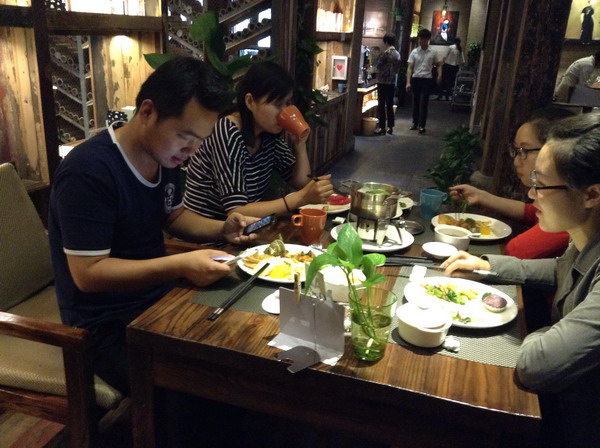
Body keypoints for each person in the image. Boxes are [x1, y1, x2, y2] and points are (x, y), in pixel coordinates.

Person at [48, 57, 259, 444]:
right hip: (102, 325)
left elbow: (174, 216)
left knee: (237, 360)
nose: (191, 150)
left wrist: (223, 229)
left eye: (200, 140)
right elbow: (88, 274)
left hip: (156, 301)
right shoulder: (89, 171)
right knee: (195, 393)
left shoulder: (166, 156)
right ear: (147, 112)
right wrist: (179, 263)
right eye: (185, 136)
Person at [442, 113, 600, 447]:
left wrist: (544, 331)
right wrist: (485, 265)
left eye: (541, 184)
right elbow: (560, 269)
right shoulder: (585, 237)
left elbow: (537, 365)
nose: (530, 194)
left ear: (591, 194)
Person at [184, 61, 333, 220]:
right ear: (250, 102)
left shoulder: (267, 133)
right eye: (277, 104)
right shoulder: (227, 131)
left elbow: (301, 183)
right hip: (208, 228)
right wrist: (300, 198)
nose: (284, 111)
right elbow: (237, 211)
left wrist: (300, 145)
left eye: (287, 103)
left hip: (244, 228)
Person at [449, 107, 573, 260]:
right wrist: (481, 196)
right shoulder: (559, 201)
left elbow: (516, 250)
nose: (516, 161)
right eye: (516, 150)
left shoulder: (570, 213)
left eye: (524, 150)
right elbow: (530, 211)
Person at [406, 28, 443, 134]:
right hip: (416, 78)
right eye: (420, 39)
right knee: (416, 101)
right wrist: (408, 82)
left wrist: (439, 75)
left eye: (423, 39)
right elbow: (410, 67)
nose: (421, 41)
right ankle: (415, 123)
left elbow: (438, 64)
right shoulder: (414, 52)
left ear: (428, 40)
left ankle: (422, 125)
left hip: (427, 79)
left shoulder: (433, 52)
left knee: (424, 102)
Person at [374, 33, 401, 135]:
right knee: (389, 104)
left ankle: (382, 128)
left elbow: (378, 67)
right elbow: (397, 69)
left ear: (386, 42)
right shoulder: (397, 54)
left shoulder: (385, 54)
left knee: (381, 104)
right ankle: (390, 127)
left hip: (382, 82)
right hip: (392, 82)